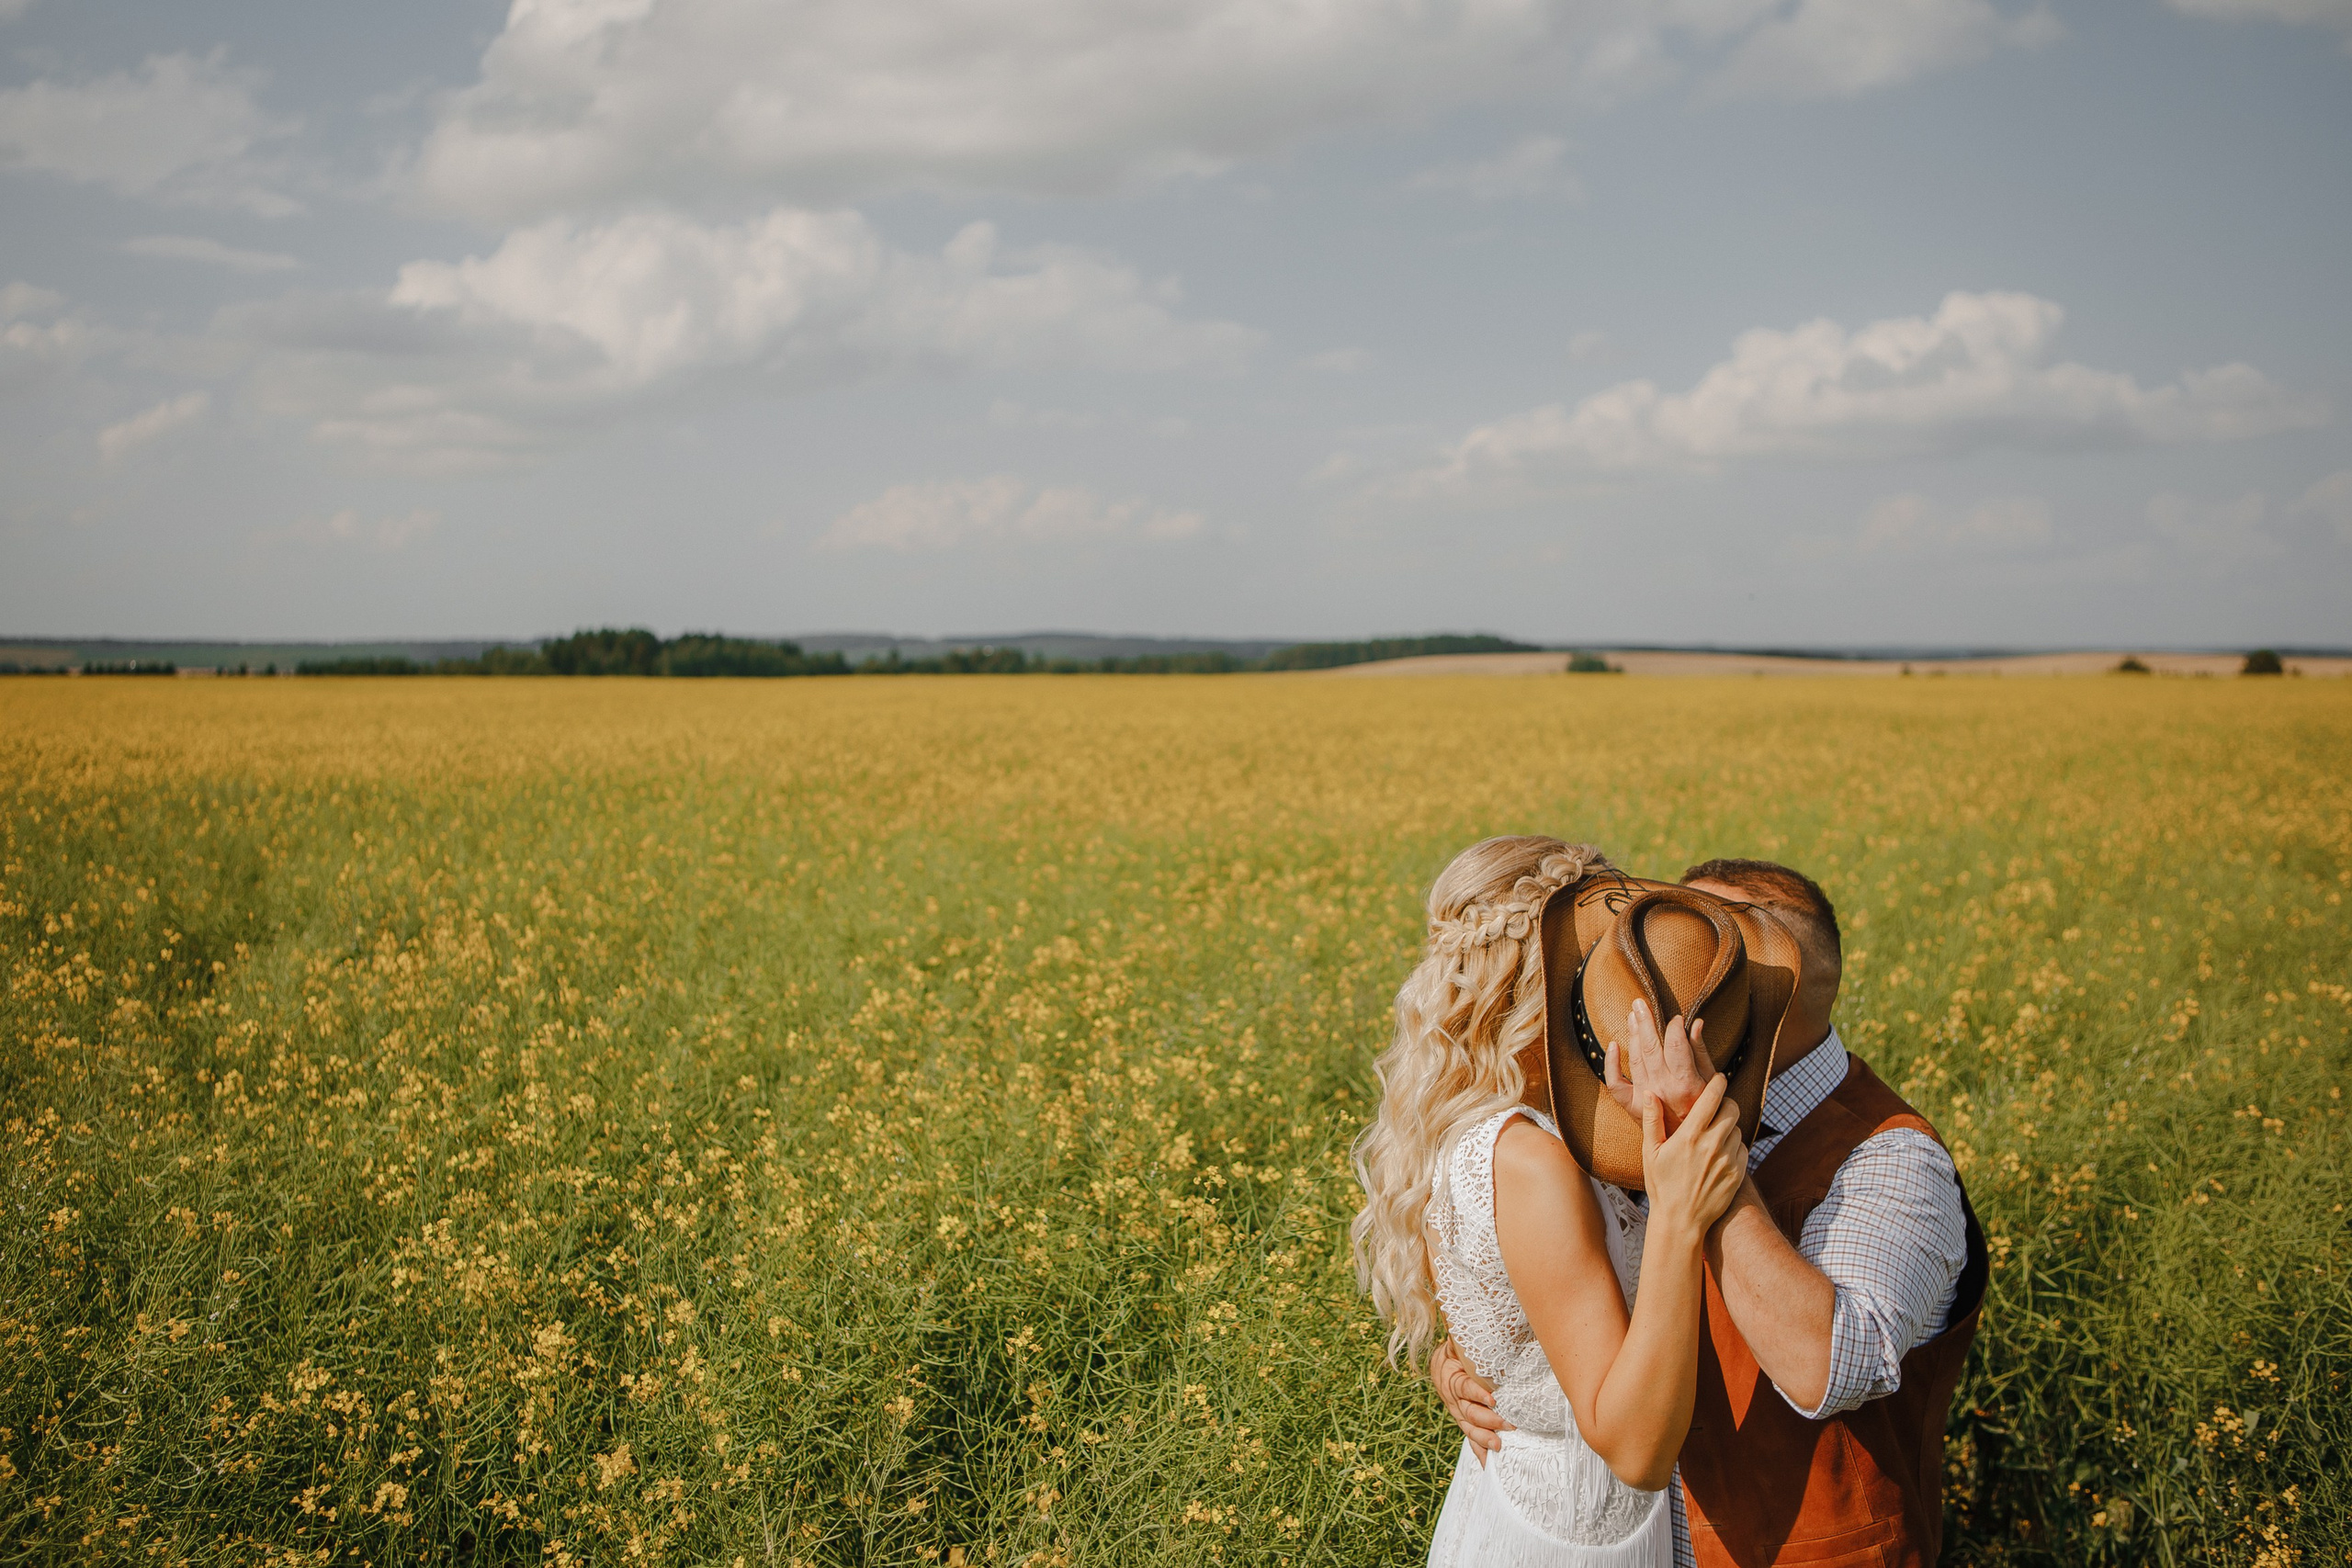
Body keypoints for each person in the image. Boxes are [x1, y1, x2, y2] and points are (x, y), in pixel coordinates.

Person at [1429, 858, 1986, 1568]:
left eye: (1689, 958)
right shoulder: (1632, 1125)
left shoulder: (1892, 1159)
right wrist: (1473, 1369)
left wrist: (1699, 1145)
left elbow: (1827, 1368)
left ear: (1755, 997)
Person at [1352, 836, 1751, 1567]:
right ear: (1553, 973)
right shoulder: (1529, 1160)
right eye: (1607, 956)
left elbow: (1526, 1337)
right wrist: (1680, 1216)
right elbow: (1634, 1450)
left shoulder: (1497, 1126)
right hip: (1577, 1541)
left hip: (1524, 1507)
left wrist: (1461, 1361)